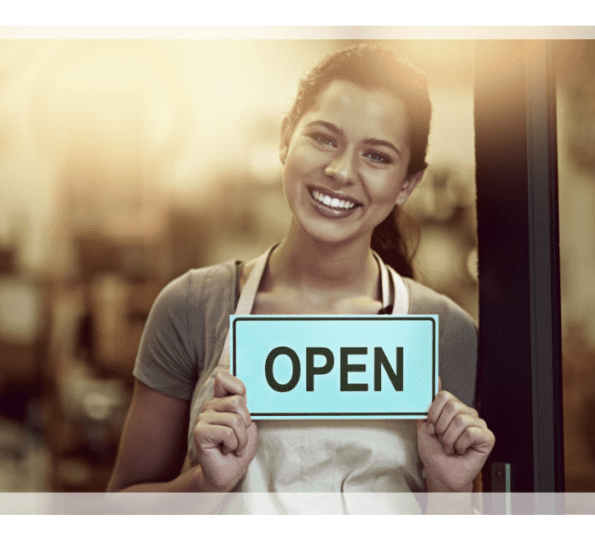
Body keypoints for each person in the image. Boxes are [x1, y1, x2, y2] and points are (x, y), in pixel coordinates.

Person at [107, 44, 494, 512]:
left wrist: (450, 492)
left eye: (376, 156)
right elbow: (120, 511)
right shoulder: (191, 306)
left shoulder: (447, 332)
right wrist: (206, 484)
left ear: (408, 184)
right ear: (286, 137)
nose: (340, 171)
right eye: (325, 139)